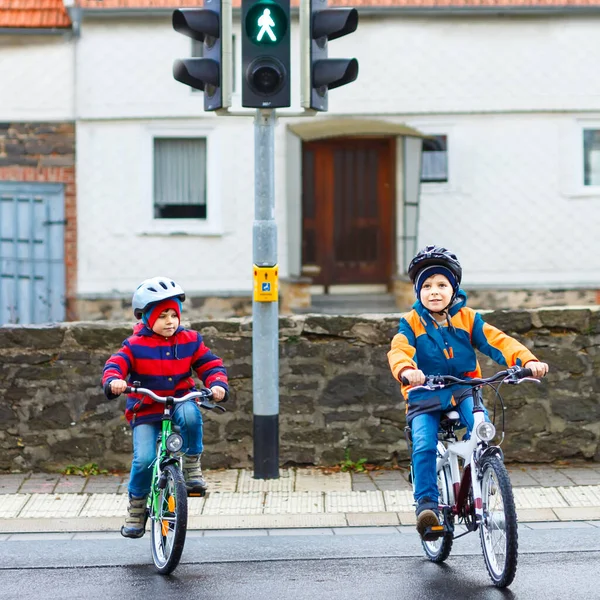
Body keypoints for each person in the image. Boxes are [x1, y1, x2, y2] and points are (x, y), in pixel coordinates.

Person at [387, 246, 548, 540]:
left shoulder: (468, 318)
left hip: (464, 390)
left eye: (441, 285)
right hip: (424, 395)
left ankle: (481, 481)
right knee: (423, 443)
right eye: (426, 286)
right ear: (417, 291)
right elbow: (399, 349)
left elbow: (499, 341)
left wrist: (527, 361)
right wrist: (407, 370)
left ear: (454, 289)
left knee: (481, 431)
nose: (434, 292)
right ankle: (427, 507)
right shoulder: (410, 322)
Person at [102, 276, 229, 539]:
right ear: (147, 319)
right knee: (145, 460)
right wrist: (114, 380)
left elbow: (210, 364)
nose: (170, 321)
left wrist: (217, 384)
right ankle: (137, 508)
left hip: (181, 399)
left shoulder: (190, 340)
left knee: (192, 415)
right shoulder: (135, 345)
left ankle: (192, 464)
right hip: (147, 408)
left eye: (174, 315)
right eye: (162, 316)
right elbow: (116, 364)